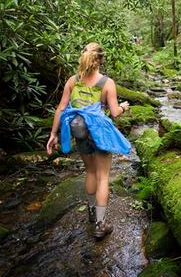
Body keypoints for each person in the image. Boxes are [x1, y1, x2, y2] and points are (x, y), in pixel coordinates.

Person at [46, 42, 130, 239]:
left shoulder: (73, 81)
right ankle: (100, 225)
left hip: (80, 131)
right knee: (103, 176)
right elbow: (115, 113)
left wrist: (53, 134)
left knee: (90, 171)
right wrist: (124, 107)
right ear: (100, 60)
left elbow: (61, 108)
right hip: (99, 134)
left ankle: (91, 212)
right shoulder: (107, 83)